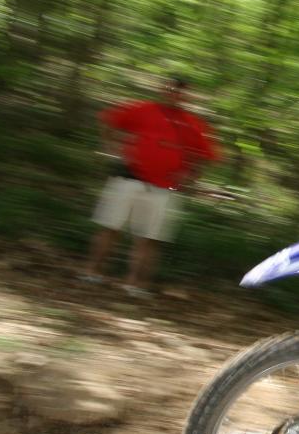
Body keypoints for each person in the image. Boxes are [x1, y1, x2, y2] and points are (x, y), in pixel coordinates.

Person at [82, 77, 218, 296]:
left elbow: (203, 156)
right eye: (171, 89)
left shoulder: (195, 124)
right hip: (128, 178)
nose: (175, 94)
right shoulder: (142, 109)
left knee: (149, 238)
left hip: (165, 187)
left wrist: (190, 176)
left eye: (181, 91)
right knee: (110, 227)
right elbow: (109, 120)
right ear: (163, 90)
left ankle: (134, 285)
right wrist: (111, 149)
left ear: (189, 96)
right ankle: (92, 272)